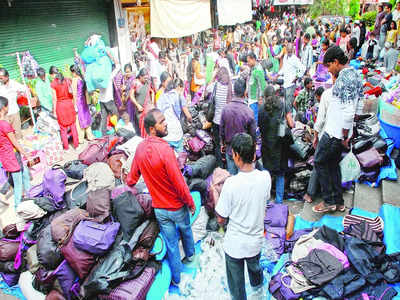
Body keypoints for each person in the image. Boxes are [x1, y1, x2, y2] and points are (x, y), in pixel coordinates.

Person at [126, 108, 196, 286]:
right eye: (161, 121)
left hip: (159, 210)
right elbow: (178, 182)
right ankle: (190, 257)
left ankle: (176, 279)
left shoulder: (140, 149)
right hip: (176, 207)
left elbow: (131, 179)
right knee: (186, 231)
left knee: (172, 245)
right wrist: (190, 202)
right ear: (151, 128)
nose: (166, 124)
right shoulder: (165, 150)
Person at [216, 133, 271, 300]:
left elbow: (220, 218)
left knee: (236, 285)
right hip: (255, 241)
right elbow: (265, 200)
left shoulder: (231, 184)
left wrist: (215, 195)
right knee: (255, 268)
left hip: (235, 245)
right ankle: (258, 289)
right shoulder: (265, 177)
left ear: (236, 156)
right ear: (254, 155)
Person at [312, 46, 363, 213]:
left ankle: (328, 201)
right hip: (340, 131)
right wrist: (350, 130)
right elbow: (359, 105)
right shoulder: (355, 73)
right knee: (333, 165)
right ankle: (339, 201)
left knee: (319, 161)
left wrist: (345, 134)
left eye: (329, 66)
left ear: (335, 62)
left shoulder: (343, 78)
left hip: (335, 132)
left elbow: (349, 111)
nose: (328, 70)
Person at [259, 85, 294, 204]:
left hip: (267, 146)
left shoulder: (261, 109)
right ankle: (279, 201)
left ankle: (267, 201)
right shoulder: (282, 105)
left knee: (267, 175)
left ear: (265, 96)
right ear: (275, 94)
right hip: (280, 146)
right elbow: (291, 124)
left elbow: (260, 127)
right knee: (280, 174)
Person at [220, 79, 256, 175]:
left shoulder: (225, 109)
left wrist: (223, 144)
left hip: (230, 150)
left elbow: (222, 132)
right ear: (245, 92)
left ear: (233, 91)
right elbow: (253, 136)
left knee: (232, 179)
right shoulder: (249, 112)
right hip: (244, 154)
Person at [0, 96, 31, 209]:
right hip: (12, 156)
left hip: (6, 157)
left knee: (25, 175)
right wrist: (26, 153)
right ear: (4, 108)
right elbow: (14, 142)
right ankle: (18, 207)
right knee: (18, 184)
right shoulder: (4, 125)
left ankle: (31, 196)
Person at [156, 78, 191, 152]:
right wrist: (190, 121)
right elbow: (188, 116)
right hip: (176, 132)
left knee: (168, 158)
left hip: (165, 133)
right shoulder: (179, 96)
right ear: (178, 87)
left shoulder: (161, 96)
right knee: (179, 158)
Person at [207, 66, 232, 167]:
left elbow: (206, 88)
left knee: (217, 145)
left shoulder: (215, 85)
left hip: (217, 121)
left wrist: (213, 77)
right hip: (228, 121)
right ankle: (228, 164)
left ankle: (220, 166)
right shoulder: (231, 86)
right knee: (228, 144)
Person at [51, 71, 79, 150]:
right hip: (69, 104)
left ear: (55, 76)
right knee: (73, 126)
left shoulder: (53, 84)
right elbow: (73, 93)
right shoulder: (67, 80)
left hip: (60, 106)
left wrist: (54, 112)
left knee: (63, 129)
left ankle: (66, 148)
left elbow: (54, 99)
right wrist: (75, 105)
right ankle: (76, 145)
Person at [278, 43, 306, 110]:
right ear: (286, 50)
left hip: (291, 84)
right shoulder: (285, 57)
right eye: (288, 51)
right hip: (285, 83)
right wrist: (278, 74)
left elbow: (303, 68)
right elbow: (284, 68)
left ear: (293, 50)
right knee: (285, 103)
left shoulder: (295, 59)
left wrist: (297, 77)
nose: (289, 53)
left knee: (288, 104)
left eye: (291, 51)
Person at [70, 65, 94, 143]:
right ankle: (90, 136)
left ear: (73, 72)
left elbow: (74, 94)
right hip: (84, 101)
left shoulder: (75, 80)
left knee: (79, 120)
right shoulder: (82, 78)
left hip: (78, 102)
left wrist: (74, 105)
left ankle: (80, 139)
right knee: (86, 118)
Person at [0, 68, 25, 140]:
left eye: (1, 78)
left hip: (14, 112)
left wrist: (20, 95)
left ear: (7, 76)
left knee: (17, 132)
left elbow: (24, 89)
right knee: (7, 134)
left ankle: (19, 148)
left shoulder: (14, 84)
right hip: (4, 114)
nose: (0, 79)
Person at [128, 68, 153, 135]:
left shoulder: (147, 82)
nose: (146, 79)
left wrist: (152, 103)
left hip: (148, 108)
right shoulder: (135, 83)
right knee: (142, 127)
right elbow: (131, 96)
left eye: (147, 78)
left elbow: (152, 92)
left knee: (149, 127)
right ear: (140, 76)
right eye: (144, 78)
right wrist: (137, 105)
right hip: (140, 110)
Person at [247, 52, 266, 124]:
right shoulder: (253, 68)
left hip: (255, 99)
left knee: (255, 119)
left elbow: (262, 85)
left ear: (253, 59)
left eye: (248, 61)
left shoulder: (258, 70)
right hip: (252, 97)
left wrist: (260, 98)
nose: (247, 63)